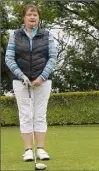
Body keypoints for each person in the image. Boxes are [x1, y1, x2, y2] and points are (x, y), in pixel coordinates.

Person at [5, 5, 57, 161]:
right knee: (25, 115)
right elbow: (9, 58)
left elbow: (52, 58)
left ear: (38, 18)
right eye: (29, 14)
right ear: (24, 17)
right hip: (21, 82)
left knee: (40, 115)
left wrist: (42, 77)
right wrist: (22, 76)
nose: (32, 17)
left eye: (35, 15)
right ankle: (28, 150)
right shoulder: (15, 36)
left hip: (43, 81)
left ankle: (40, 149)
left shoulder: (47, 35)